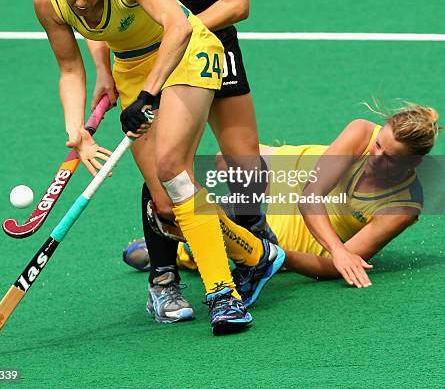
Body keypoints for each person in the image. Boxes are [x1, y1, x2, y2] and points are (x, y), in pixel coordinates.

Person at [33, 0, 284, 335]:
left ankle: (224, 296)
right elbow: (68, 67)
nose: (80, 3)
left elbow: (179, 27)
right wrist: (76, 129)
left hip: (188, 52)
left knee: (171, 165)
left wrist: (149, 95)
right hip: (132, 68)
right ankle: (256, 254)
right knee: (165, 205)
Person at [90, 0, 273, 323]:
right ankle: (165, 277)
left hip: (212, 37)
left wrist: (183, 28)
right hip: (152, 55)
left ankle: (251, 250)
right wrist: (103, 71)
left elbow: (238, 1)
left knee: (244, 161)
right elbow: (99, 10)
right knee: (167, 167)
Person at [123, 103, 440, 292]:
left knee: (238, 237)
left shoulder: (402, 208)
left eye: (388, 156)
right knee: (228, 159)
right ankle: (220, 228)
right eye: (379, 144)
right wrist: (338, 250)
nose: (375, 155)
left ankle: (187, 248)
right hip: (298, 174)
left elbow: (334, 266)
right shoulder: (362, 132)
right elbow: (310, 195)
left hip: (297, 235)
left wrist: (276, 254)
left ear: (413, 163)